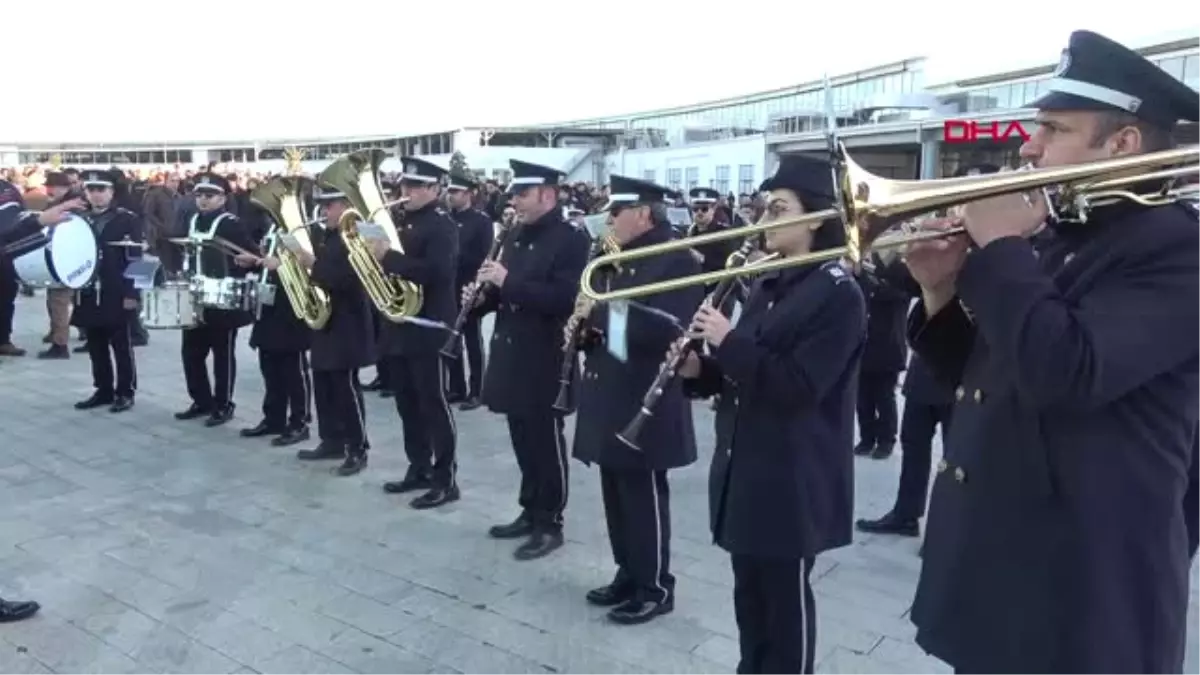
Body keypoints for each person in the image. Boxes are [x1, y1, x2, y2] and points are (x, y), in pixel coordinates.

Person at [904, 30, 1200, 675]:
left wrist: (1003, 249)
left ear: (1121, 144)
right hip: (998, 572)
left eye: (1054, 128)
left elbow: (1069, 373)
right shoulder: (1062, 236)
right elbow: (989, 378)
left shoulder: (1179, 248)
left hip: (1080, 598)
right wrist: (939, 290)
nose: (1028, 145)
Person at [677, 154, 864, 675]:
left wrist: (728, 341)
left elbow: (800, 387)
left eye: (777, 209)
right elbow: (745, 369)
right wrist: (700, 369)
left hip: (792, 472)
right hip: (748, 464)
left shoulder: (837, 293)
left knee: (784, 606)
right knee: (750, 596)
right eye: (763, 208)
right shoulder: (767, 281)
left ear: (815, 219)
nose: (763, 220)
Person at [572, 175, 703, 625]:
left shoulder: (678, 260)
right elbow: (620, 328)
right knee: (616, 491)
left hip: (648, 396)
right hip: (614, 388)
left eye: (616, 212)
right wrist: (589, 332)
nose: (609, 220)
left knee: (644, 495)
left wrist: (602, 313)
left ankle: (655, 585)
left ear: (644, 213)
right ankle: (628, 571)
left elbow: (670, 327)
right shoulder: (620, 257)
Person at [468, 159, 590, 560]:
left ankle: (550, 520)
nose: (515, 200)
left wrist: (507, 281)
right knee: (521, 436)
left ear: (548, 195)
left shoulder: (571, 239)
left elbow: (563, 298)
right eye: (515, 193)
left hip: (544, 354)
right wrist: (481, 298)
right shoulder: (514, 233)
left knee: (545, 440)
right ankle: (529, 507)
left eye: (523, 193)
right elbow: (506, 294)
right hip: (511, 349)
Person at [373, 157, 460, 509]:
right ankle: (418, 467)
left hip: (429, 326)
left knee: (433, 403)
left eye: (414, 187)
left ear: (434, 189)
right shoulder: (399, 221)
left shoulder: (442, 226)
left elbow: (437, 273)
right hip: (400, 323)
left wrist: (388, 258)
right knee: (407, 402)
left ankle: (445, 479)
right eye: (403, 186)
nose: (404, 192)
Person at [292, 186, 377, 475]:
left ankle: (358, 447)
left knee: (346, 387)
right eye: (322, 205)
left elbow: (351, 281)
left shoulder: (356, 236)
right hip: (325, 321)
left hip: (348, 322)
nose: (323, 211)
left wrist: (314, 264)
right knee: (323, 383)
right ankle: (331, 440)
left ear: (346, 206)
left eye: (330, 205)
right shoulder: (326, 235)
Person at [174, 172, 258, 426]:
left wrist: (237, 269)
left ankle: (223, 404)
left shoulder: (231, 223)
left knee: (222, 355)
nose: (203, 200)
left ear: (223, 198)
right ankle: (201, 400)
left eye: (209, 195)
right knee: (191, 352)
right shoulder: (193, 219)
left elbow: (250, 256)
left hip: (222, 298)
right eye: (199, 195)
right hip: (196, 295)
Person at [66, 170, 144, 413]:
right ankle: (103, 389)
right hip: (88, 288)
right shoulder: (79, 219)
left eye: (102, 190)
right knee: (95, 343)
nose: (97, 195)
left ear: (112, 192)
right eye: (92, 190)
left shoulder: (127, 219)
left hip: (117, 289)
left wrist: (132, 293)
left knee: (121, 344)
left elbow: (136, 258)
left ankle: (125, 391)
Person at [235, 207, 313, 447]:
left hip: (291, 308)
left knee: (293, 370)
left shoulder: (305, 230)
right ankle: (273, 418)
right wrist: (255, 262)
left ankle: (300, 422)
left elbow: (310, 267)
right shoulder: (273, 228)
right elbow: (269, 262)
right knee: (269, 366)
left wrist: (280, 264)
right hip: (268, 306)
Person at [443, 172, 495, 410]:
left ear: (468, 194)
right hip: (449, 287)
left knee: (472, 339)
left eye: (455, 192)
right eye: (450, 192)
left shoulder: (481, 221)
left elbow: (484, 255)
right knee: (451, 339)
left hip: (469, 286)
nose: (450, 196)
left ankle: (478, 390)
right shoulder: (446, 219)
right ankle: (456, 388)